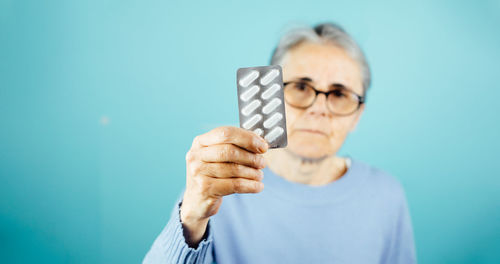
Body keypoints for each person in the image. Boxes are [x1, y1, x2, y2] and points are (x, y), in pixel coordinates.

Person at [143, 22, 416, 264]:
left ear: (357, 115)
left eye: (339, 93)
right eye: (300, 87)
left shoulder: (386, 196)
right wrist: (192, 217)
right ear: (268, 96)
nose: (318, 109)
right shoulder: (219, 186)